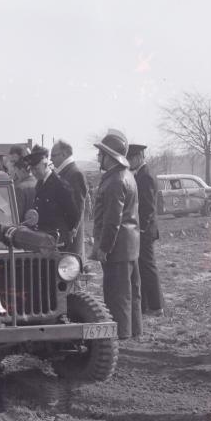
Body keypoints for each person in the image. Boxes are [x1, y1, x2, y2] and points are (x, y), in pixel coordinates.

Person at [91, 130, 141, 340]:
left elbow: (112, 220)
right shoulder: (126, 175)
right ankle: (134, 331)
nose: (98, 157)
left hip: (117, 247)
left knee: (116, 294)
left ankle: (121, 336)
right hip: (129, 245)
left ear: (109, 157)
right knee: (130, 292)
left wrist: (104, 248)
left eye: (101, 153)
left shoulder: (114, 181)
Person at [127, 143, 163, 316]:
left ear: (140, 157)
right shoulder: (141, 174)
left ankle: (156, 306)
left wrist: (140, 230)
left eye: (131, 158)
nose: (129, 161)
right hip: (144, 229)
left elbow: (147, 208)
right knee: (143, 267)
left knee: (148, 267)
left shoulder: (145, 176)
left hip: (145, 230)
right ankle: (149, 305)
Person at [23, 145, 79, 247]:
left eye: (36, 168)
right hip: (43, 241)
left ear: (45, 165)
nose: (34, 172)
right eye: (31, 169)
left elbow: (73, 215)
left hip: (57, 242)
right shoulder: (40, 184)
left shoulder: (60, 185)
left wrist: (64, 233)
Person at [51, 140, 87, 258]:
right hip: (64, 235)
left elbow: (78, 207)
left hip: (70, 237)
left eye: (53, 155)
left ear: (64, 154)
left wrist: (73, 230)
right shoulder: (67, 172)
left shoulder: (74, 174)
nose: (51, 159)